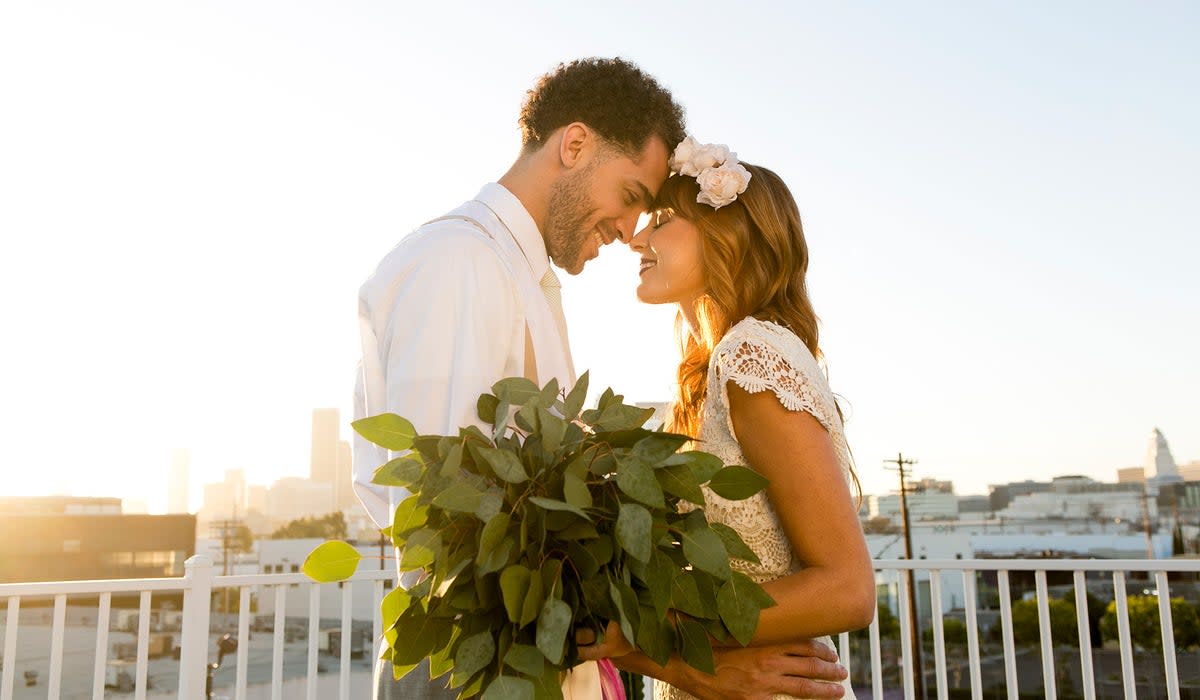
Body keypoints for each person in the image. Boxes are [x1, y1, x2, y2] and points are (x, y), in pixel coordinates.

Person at [353, 58, 850, 699]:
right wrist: (685, 663)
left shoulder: (524, 279)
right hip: (473, 667)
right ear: (576, 144)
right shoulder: (462, 263)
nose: (629, 233)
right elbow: (457, 538)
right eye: (633, 199)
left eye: (655, 215)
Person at [580, 140, 875, 700]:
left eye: (663, 220)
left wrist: (642, 629)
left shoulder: (751, 354)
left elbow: (848, 588)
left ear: (726, 234)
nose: (637, 239)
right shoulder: (708, 372)